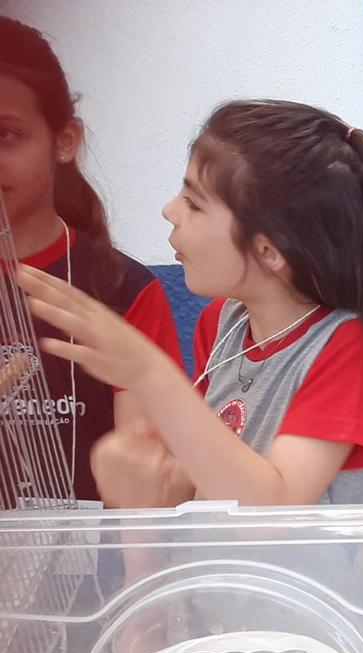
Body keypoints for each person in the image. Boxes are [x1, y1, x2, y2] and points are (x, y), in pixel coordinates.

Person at [19, 98, 363, 508]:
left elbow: (272, 509)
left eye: (194, 203)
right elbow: (201, 480)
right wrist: (144, 487)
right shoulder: (222, 324)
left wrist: (151, 375)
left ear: (268, 251)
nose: (169, 210)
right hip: (212, 577)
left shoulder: (348, 347)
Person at [1, 16, 181, 503]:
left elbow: (145, 499)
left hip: (95, 552)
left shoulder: (124, 289)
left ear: (64, 140)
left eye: (7, 134)